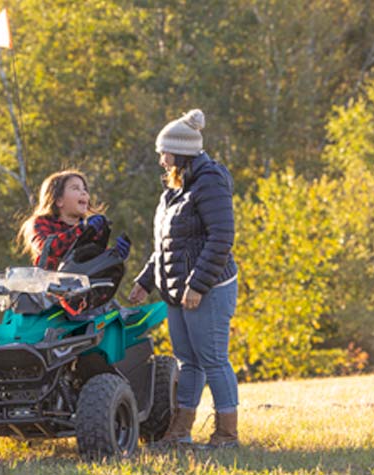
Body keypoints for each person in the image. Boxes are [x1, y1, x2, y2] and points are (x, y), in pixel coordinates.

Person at [129, 109, 240, 448]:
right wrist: (146, 280)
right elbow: (167, 246)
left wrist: (197, 284)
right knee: (188, 361)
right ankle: (180, 432)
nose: (161, 160)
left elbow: (221, 237)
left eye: (164, 153)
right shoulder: (175, 191)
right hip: (177, 290)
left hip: (209, 287)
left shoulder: (210, 182)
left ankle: (226, 435)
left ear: (180, 152)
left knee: (213, 360)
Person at [17, 169, 130, 270]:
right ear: (59, 200)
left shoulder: (91, 229)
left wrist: (115, 256)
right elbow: (49, 249)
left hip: (82, 287)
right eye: (76, 188)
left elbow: (94, 263)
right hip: (49, 285)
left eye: (85, 189)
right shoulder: (40, 222)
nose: (84, 192)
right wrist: (82, 229)